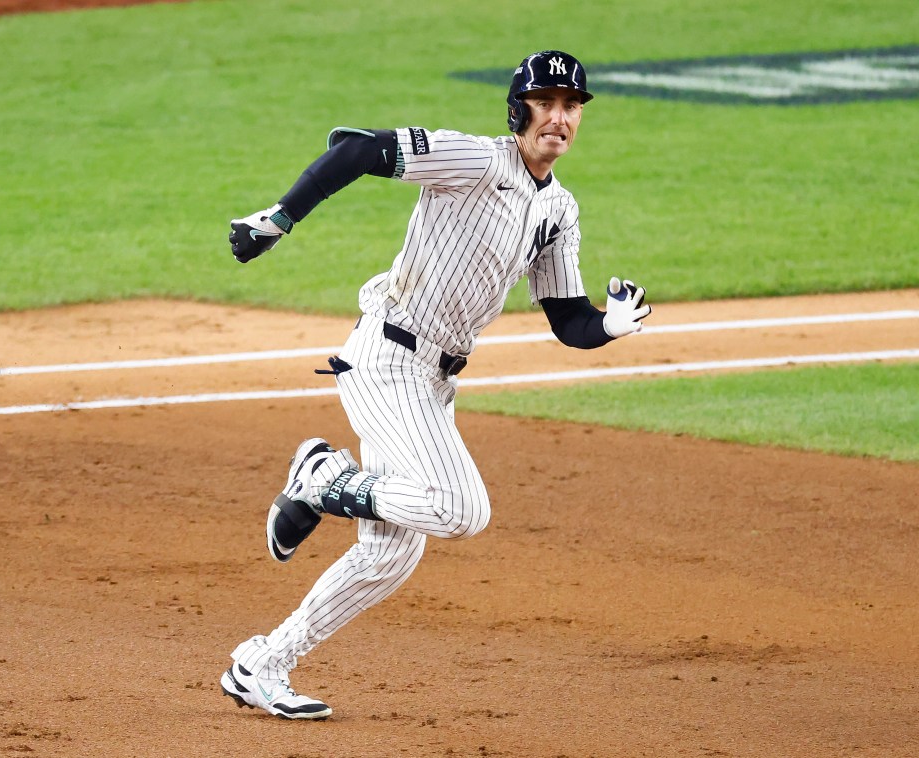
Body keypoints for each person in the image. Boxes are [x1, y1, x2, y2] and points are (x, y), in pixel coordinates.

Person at [220, 50, 651, 720]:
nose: (560, 117)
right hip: (386, 358)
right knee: (459, 510)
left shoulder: (559, 210)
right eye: (547, 102)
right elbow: (359, 149)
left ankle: (262, 664)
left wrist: (611, 325)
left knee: (390, 555)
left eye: (572, 106)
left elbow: (568, 319)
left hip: (432, 384)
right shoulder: (473, 160)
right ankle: (321, 479)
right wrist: (280, 217)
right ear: (518, 110)